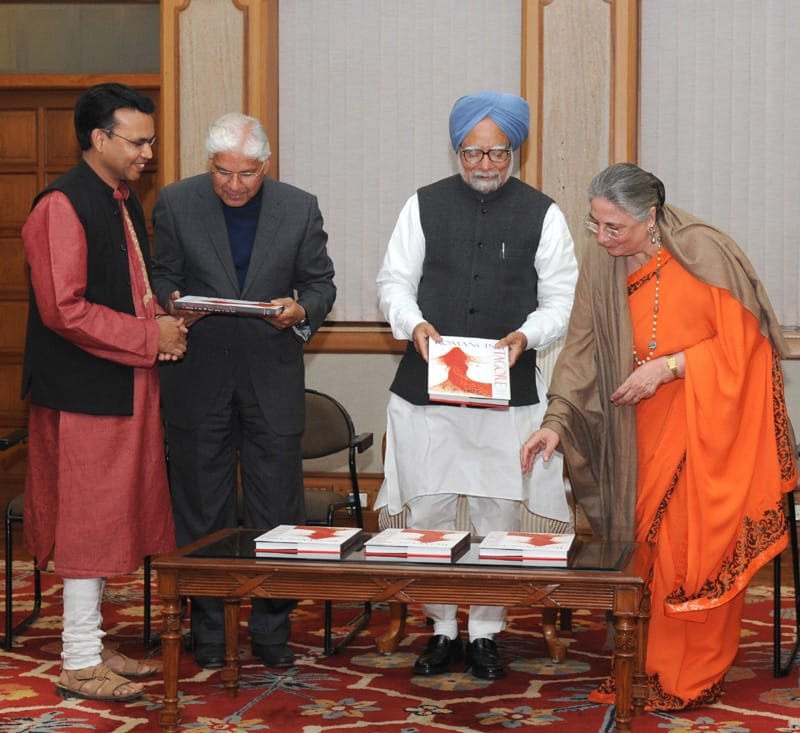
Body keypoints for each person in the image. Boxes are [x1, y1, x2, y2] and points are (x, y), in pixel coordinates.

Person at [521, 162, 797, 710]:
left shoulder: (706, 254)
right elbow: (579, 354)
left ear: (649, 216)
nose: (601, 238)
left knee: (693, 549)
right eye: (594, 225)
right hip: (635, 439)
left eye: (612, 227)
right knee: (646, 553)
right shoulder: (604, 268)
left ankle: (693, 671)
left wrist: (669, 367)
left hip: (710, 430)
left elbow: (748, 349)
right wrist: (555, 423)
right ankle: (643, 664)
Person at [376, 91, 578, 680]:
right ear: (457, 150)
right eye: (472, 152)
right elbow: (393, 282)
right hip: (425, 389)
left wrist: (525, 334)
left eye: (496, 153)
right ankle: (440, 628)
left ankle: (487, 631)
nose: (484, 165)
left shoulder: (545, 212)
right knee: (429, 510)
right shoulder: (421, 205)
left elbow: (561, 299)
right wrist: (413, 325)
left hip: (507, 389)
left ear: (515, 150)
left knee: (498, 512)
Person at [151, 112, 336, 670]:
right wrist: (175, 301)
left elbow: (321, 283)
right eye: (222, 171)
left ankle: (272, 631)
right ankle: (208, 630)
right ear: (208, 164)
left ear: (266, 166)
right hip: (197, 374)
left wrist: (301, 310)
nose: (233, 184)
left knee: (277, 510)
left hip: (270, 377)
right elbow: (159, 274)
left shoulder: (298, 206)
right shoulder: (176, 202)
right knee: (201, 510)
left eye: (247, 174)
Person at [20, 82, 186, 702]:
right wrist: (150, 336)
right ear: (99, 139)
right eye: (138, 141)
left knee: (117, 519)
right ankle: (78, 658)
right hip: (81, 394)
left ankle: (89, 640)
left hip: (122, 382)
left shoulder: (119, 199)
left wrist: (161, 329)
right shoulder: (61, 205)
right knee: (89, 525)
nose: (148, 152)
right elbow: (64, 310)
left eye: (150, 141)